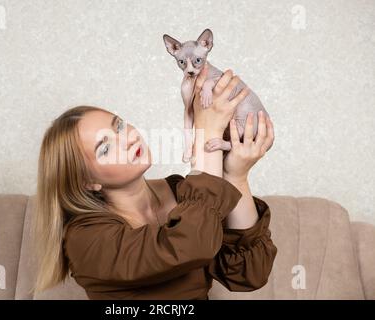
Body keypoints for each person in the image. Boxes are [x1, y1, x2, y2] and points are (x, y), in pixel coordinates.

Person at [31, 64, 277, 299]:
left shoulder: (180, 191)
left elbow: (248, 274)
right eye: (105, 147)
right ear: (88, 182)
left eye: (118, 126)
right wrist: (208, 134)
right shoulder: (85, 239)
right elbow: (191, 244)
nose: (127, 139)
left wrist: (236, 176)